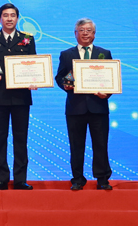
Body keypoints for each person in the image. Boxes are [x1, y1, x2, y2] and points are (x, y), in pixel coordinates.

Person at [0, 3, 37, 190]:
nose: (9, 18)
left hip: (21, 96)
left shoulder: (28, 39)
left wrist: (35, 79)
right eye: (5, 15)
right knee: (0, 138)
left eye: (13, 15)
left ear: (17, 18)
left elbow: (34, 63)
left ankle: (20, 179)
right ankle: (1, 179)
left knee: (21, 139)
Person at [55, 18, 113, 190]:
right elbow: (60, 77)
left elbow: (111, 78)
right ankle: (78, 179)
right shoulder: (67, 54)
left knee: (101, 144)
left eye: (89, 30)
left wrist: (107, 93)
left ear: (94, 34)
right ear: (75, 34)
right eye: (82, 30)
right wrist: (66, 83)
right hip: (75, 107)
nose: (85, 33)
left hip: (98, 106)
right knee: (76, 145)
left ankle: (102, 179)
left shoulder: (105, 53)